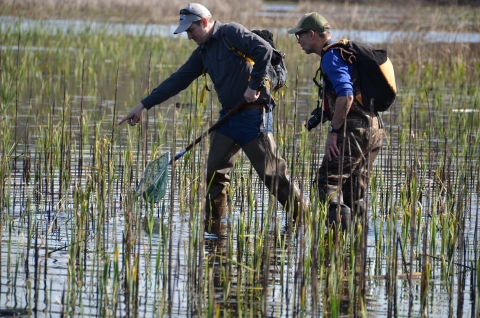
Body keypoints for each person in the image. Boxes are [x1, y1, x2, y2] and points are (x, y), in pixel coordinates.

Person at [119, 3, 308, 222]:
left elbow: (264, 50)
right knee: (213, 176)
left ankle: (307, 220)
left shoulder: (231, 32)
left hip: (253, 118)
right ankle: (216, 230)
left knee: (273, 175)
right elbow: (177, 81)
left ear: (205, 22)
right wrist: (143, 105)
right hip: (227, 119)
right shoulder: (202, 53)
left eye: (191, 30)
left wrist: (253, 85)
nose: (189, 36)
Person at [287, 13, 384, 231]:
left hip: (354, 129)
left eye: (299, 36)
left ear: (312, 34)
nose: (299, 41)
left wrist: (333, 131)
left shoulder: (331, 57)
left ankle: (335, 249)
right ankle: (358, 251)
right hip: (375, 127)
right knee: (354, 192)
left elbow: (347, 96)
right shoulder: (344, 53)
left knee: (326, 183)